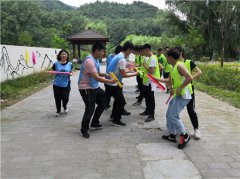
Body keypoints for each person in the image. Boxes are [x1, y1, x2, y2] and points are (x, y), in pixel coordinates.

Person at [154, 48, 192, 149]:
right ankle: (172, 134)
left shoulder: (180, 65)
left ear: (170, 57)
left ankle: (185, 135)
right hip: (177, 94)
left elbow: (189, 78)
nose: (166, 58)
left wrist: (180, 87)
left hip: (184, 95)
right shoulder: (173, 66)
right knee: (169, 114)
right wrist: (155, 79)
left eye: (167, 56)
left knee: (173, 116)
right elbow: (168, 80)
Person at [78, 42, 117, 138]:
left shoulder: (95, 59)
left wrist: (104, 74)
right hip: (86, 87)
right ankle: (84, 129)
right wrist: (110, 81)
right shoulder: (89, 61)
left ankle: (94, 122)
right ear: (96, 51)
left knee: (104, 102)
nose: (103, 54)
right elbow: (96, 77)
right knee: (90, 108)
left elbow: (97, 73)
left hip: (94, 86)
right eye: (102, 52)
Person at [106, 41, 138, 127]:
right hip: (113, 83)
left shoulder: (118, 56)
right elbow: (123, 74)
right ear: (128, 49)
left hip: (111, 82)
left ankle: (113, 116)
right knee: (121, 101)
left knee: (118, 100)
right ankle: (116, 120)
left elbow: (120, 71)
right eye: (131, 51)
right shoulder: (122, 59)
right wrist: (135, 74)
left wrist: (130, 70)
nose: (130, 53)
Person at [175, 46, 202, 139]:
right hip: (178, 90)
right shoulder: (175, 63)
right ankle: (176, 128)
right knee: (175, 109)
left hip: (188, 89)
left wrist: (190, 77)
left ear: (181, 53)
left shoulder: (189, 62)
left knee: (191, 109)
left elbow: (199, 72)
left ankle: (196, 129)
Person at [140, 44, 160, 122]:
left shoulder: (152, 59)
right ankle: (147, 110)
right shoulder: (150, 58)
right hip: (148, 81)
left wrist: (144, 66)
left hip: (151, 82)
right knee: (147, 97)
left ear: (147, 50)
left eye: (143, 51)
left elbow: (151, 71)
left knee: (150, 98)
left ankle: (151, 115)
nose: (143, 53)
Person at [52, 49, 73, 116]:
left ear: (67, 56)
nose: (64, 55)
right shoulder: (56, 63)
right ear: (60, 55)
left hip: (66, 83)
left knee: (65, 97)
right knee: (57, 98)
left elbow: (71, 71)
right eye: (62, 54)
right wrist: (53, 73)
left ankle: (65, 106)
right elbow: (52, 71)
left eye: (65, 54)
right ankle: (58, 110)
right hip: (57, 83)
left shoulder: (70, 64)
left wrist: (71, 73)